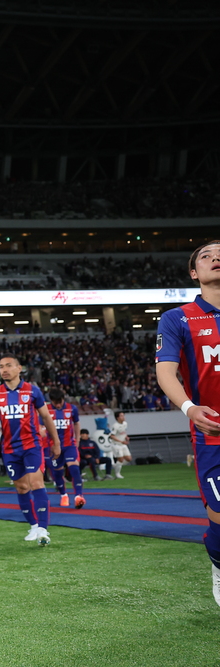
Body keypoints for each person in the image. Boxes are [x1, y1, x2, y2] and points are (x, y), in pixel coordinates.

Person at [155, 239, 220, 608]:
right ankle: (219, 564)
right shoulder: (177, 318)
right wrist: (189, 408)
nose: (216, 258)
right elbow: (166, 371)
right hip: (212, 433)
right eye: (207, 256)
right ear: (194, 273)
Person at [0, 356, 61, 545]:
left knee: (36, 482)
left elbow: (46, 417)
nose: (4, 370)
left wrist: (55, 441)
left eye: (8, 366)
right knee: (22, 487)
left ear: (19, 368)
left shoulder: (32, 390)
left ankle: (43, 529)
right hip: (9, 448)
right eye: (1, 366)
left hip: (32, 445)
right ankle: (33, 525)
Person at [46, 388, 84, 509]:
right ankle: (63, 495)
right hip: (53, 447)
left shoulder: (72, 408)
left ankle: (78, 496)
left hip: (69, 444)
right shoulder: (46, 410)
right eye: (55, 402)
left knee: (74, 468)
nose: (58, 405)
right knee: (57, 472)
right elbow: (41, 426)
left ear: (63, 399)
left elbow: (76, 423)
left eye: (60, 402)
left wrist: (77, 439)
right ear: (51, 400)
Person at [108, 411, 134, 478]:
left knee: (129, 459)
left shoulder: (125, 423)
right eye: (121, 416)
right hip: (116, 445)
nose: (123, 417)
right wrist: (121, 441)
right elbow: (112, 436)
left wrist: (126, 437)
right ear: (117, 418)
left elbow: (124, 432)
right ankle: (117, 474)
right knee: (120, 459)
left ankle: (116, 466)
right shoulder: (115, 426)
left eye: (123, 415)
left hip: (123, 444)